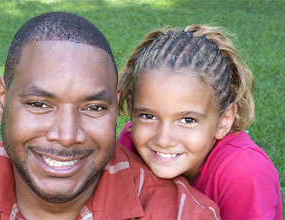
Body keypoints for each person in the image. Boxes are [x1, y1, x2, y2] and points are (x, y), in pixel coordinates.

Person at [0, 13, 221, 219]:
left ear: (116, 108)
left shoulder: (181, 214)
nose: (68, 136)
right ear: (2, 100)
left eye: (93, 107)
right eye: (39, 104)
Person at [117, 24, 283, 219]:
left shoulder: (244, 173)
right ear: (131, 107)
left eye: (187, 120)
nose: (163, 139)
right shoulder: (131, 142)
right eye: (148, 116)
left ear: (224, 121)